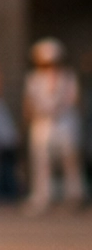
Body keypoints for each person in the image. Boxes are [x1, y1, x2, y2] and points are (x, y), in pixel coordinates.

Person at [24, 38, 86, 211]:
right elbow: (29, 103)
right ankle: (42, 196)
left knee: (70, 158)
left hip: (65, 121)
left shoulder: (68, 77)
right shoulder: (34, 78)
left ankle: (74, 195)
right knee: (41, 160)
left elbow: (75, 100)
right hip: (42, 122)